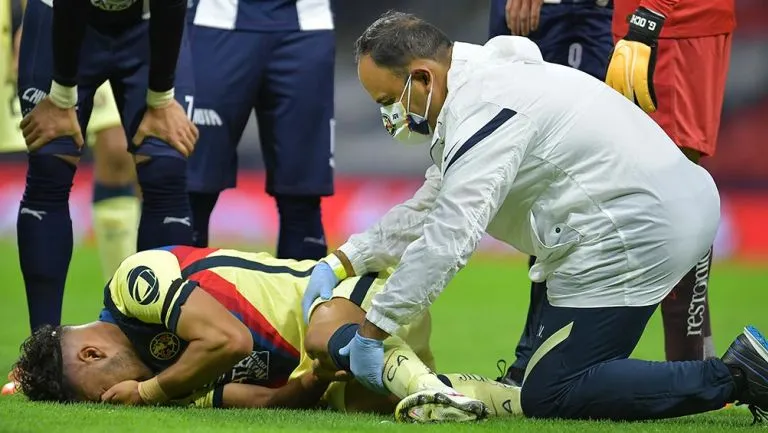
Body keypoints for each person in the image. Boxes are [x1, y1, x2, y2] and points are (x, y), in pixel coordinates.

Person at [301, 11, 768, 422]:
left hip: (637, 232)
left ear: (423, 77)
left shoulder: (484, 106)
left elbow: (449, 237)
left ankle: (737, 376)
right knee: (547, 374)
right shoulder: (482, 78)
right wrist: (345, 259)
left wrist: (373, 329)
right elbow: (435, 201)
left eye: (387, 101)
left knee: (554, 392)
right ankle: (543, 368)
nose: (388, 117)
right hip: (646, 214)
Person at [11, 246, 524, 423]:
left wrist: (147, 392)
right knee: (369, 406)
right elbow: (261, 401)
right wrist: (314, 382)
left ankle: (417, 382)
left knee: (327, 339)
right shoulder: (168, 384)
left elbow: (228, 342)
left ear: (93, 351)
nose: (120, 398)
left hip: (354, 293)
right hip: (357, 352)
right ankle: (508, 399)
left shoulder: (135, 284)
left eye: (105, 393)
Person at [15, 0, 198, 336]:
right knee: (49, 170)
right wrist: (61, 96)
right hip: (59, 14)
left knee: (166, 174)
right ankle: (41, 351)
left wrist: (160, 100)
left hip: (146, 23)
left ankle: (155, 350)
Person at [488, 0, 614, 385]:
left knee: (575, 181)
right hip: (525, 15)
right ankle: (541, 356)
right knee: (538, 184)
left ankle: (541, 359)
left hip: (582, 14)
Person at [605, 0, 736, 362]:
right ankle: (698, 358)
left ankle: (691, 362)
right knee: (642, 188)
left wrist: (651, 12)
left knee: (672, 188)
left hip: (672, 24)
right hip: (640, 24)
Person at [0, 0, 139, 282]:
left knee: (118, 149)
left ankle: (124, 299)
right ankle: (44, 321)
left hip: (87, 19)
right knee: (47, 152)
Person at [185, 0, 334, 260]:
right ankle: (170, 297)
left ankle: (301, 300)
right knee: (192, 190)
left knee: (302, 196)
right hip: (215, 20)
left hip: (307, 23)